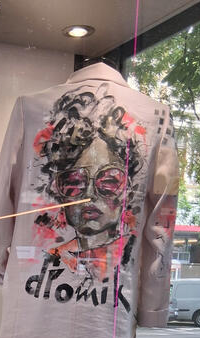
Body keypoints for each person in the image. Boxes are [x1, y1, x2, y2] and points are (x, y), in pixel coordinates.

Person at [34, 86, 143, 286]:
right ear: (58, 191)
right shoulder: (54, 257)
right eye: (74, 183)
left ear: (128, 191)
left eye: (109, 182)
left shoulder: (132, 254)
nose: (90, 195)